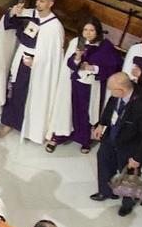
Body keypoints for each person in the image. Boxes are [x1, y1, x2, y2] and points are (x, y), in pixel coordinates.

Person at [0, 0, 70, 145]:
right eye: (37, 0)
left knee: (32, 96)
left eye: (42, 1)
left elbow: (54, 56)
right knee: (15, 92)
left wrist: (36, 62)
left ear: (51, 3)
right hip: (21, 59)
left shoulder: (55, 27)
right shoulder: (30, 14)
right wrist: (12, 12)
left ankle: (31, 127)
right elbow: (9, 22)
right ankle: (9, 122)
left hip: (38, 66)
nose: (38, 4)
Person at [89, 72, 142, 213]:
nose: (111, 93)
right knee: (103, 159)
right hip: (112, 136)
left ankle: (127, 203)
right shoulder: (118, 94)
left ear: (121, 90)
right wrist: (101, 124)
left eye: (112, 91)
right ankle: (106, 191)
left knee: (128, 175)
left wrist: (138, 157)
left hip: (130, 144)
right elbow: (110, 107)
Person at [50, 21, 121, 155]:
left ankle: (85, 140)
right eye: (85, 30)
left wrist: (93, 68)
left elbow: (113, 66)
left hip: (93, 87)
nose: (88, 33)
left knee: (88, 113)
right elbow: (70, 64)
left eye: (91, 30)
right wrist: (77, 58)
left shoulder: (106, 46)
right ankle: (63, 134)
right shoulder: (77, 42)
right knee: (70, 110)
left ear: (98, 31)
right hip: (76, 84)